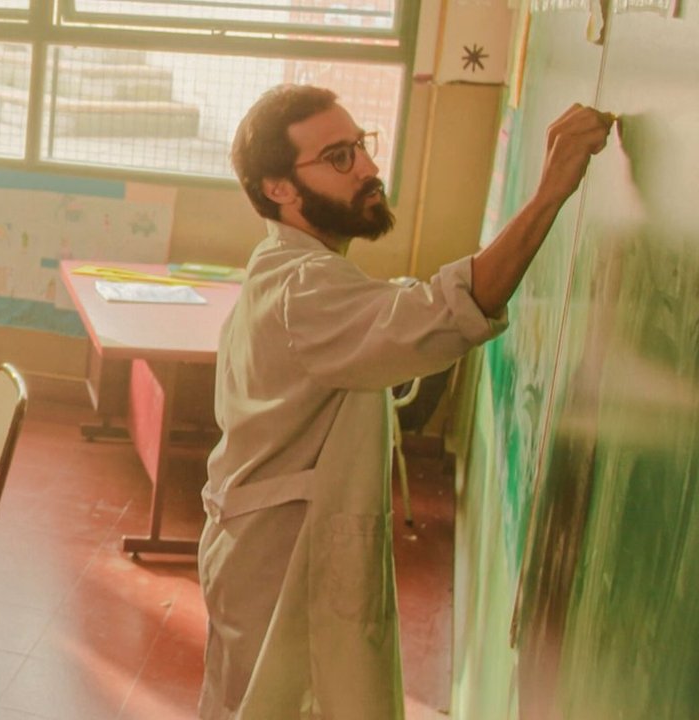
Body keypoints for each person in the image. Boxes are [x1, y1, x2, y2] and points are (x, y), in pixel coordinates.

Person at [197, 85, 613, 719]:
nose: (367, 169)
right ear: (278, 188)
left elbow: (412, 315)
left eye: (361, 146)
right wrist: (551, 190)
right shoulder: (302, 287)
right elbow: (442, 316)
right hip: (282, 566)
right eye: (338, 157)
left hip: (270, 549)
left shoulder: (293, 267)